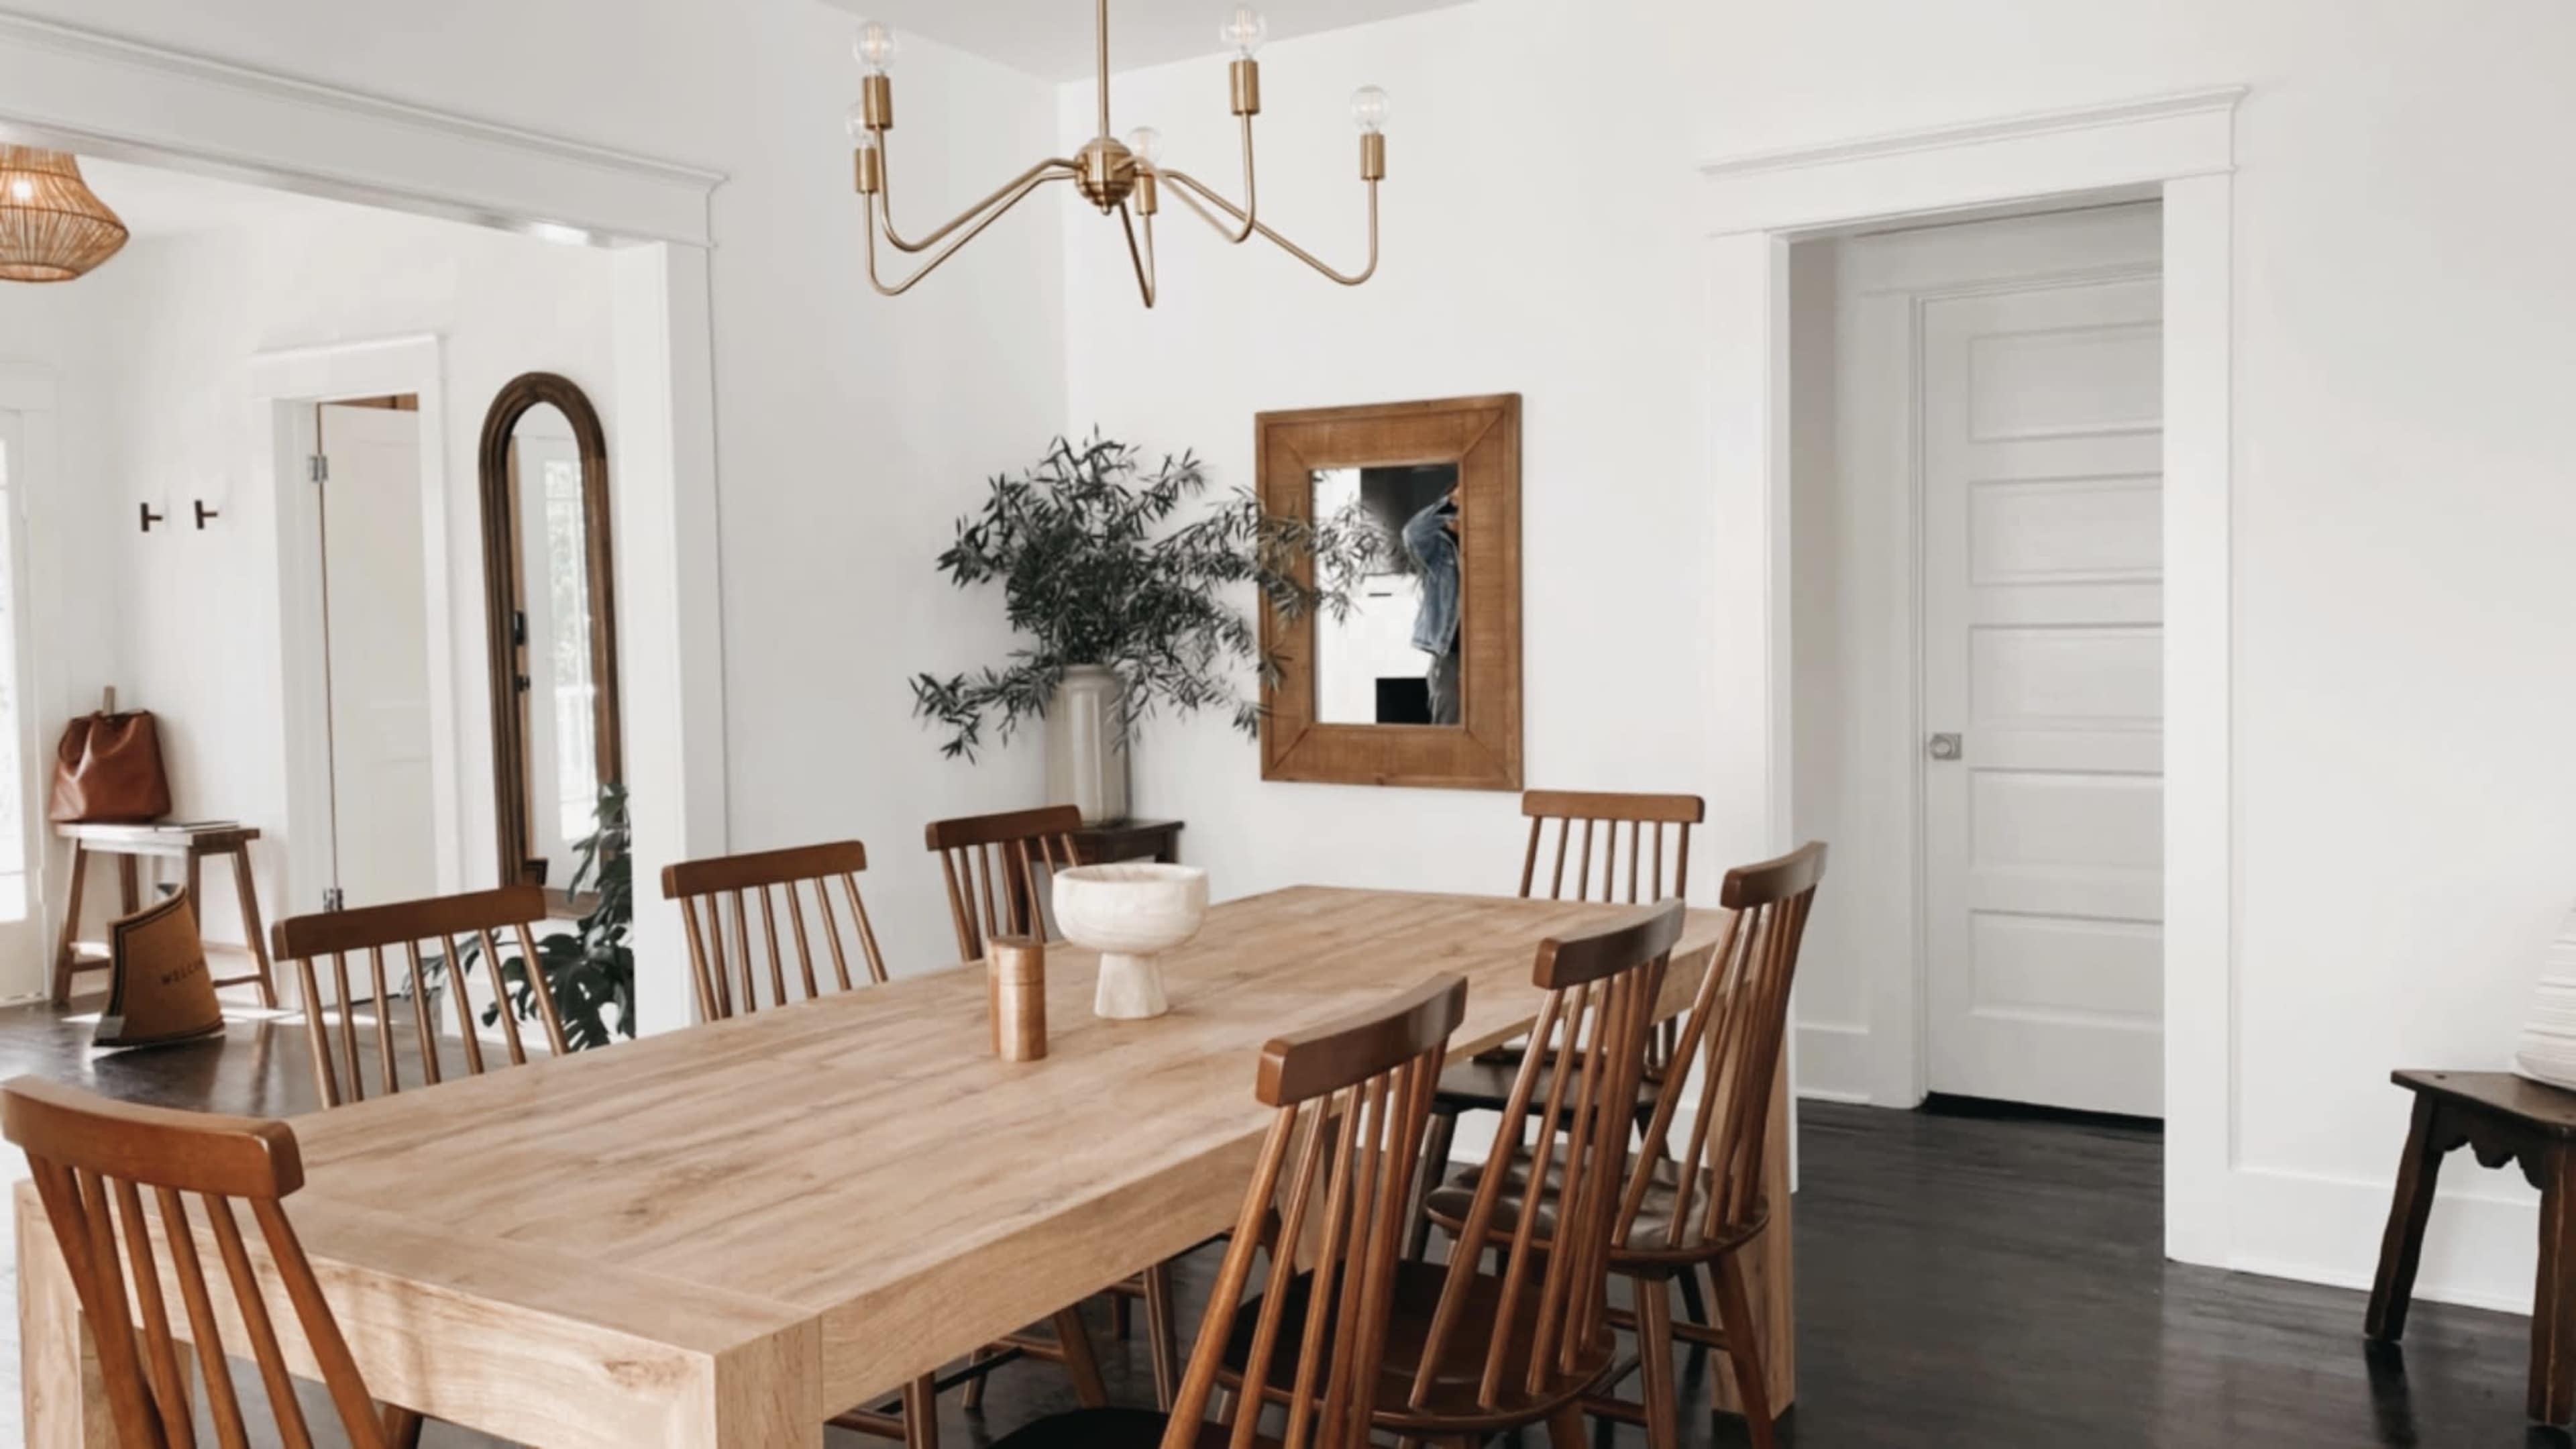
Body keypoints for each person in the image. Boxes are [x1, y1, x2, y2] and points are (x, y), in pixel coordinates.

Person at [1402, 492, 1462, 725]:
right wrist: (1450, 502)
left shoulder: (1486, 545)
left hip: (1486, 649)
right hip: (1448, 648)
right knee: (1447, 714)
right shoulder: (1436, 549)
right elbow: (1412, 533)